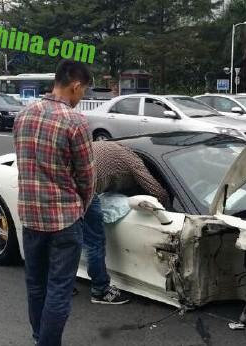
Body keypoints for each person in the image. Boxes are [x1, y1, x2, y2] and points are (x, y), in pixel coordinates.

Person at [13, 59, 95, 346]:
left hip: (31, 217)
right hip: (64, 220)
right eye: (82, 92)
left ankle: (40, 338)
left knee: (35, 285)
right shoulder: (75, 122)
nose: (81, 98)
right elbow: (87, 177)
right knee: (59, 289)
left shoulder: (23, 115)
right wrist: (81, 207)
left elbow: (24, 165)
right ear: (75, 86)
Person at [83, 140, 169, 304]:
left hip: (63, 182)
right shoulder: (134, 162)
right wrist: (169, 210)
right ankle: (100, 290)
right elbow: (157, 191)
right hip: (83, 189)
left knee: (66, 238)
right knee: (94, 241)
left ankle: (60, 284)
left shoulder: (112, 147)